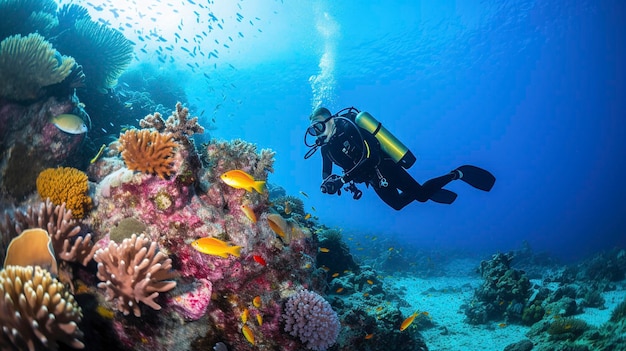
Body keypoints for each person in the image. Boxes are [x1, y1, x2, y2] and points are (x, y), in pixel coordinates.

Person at [303, 107, 496, 210]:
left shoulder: (351, 129)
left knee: (420, 196)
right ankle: (425, 190)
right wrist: (326, 183)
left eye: (318, 127)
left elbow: (371, 158)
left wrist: (343, 180)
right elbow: (326, 170)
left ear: (331, 121)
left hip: (385, 168)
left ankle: (457, 174)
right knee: (397, 205)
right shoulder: (326, 147)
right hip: (373, 179)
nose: (316, 134)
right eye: (313, 130)